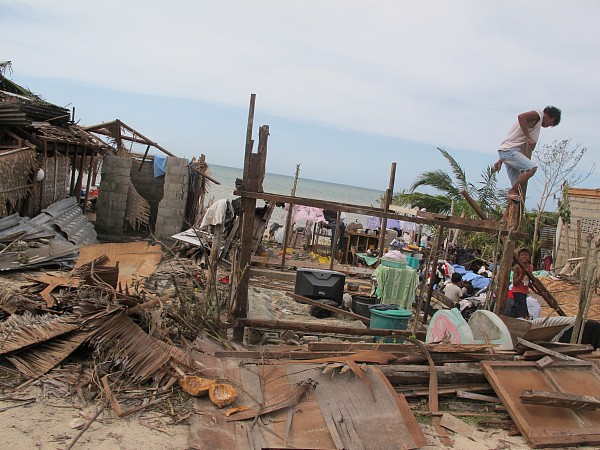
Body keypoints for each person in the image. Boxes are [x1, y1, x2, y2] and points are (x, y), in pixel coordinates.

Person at [493, 106, 561, 202]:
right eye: (551, 124)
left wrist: (501, 160)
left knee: (518, 189)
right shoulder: (538, 114)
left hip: (507, 152)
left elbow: (514, 143)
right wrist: (528, 137)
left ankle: (509, 211)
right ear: (552, 118)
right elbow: (521, 117)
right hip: (508, 152)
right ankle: (511, 191)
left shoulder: (536, 124)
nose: (548, 126)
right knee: (531, 169)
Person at [509, 248, 533, 319]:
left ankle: (511, 318)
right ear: (519, 257)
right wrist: (521, 275)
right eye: (522, 255)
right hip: (517, 291)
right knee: (522, 310)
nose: (524, 257)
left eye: (526, 255)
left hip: (524, 291)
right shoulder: (517, 267)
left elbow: (529, 280)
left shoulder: (530, 267)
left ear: (529, 258)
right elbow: (515, 283)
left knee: (517, 308)